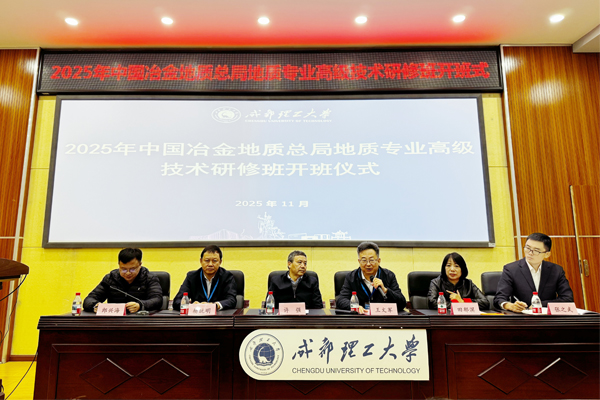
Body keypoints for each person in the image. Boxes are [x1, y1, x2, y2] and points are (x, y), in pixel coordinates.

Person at [494, 232, 574, 312]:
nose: (530, 253)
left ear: (547, 254)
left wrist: (540, 305)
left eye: (536, 250)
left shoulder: (556, 270)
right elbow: (499, 298)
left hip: (548, 316)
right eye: (527, 248)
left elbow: (567, 298)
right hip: (522, 316)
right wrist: (509, 306)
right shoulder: (511, 269)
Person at [83, 248, 163, 313]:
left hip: (140, 320)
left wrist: (140, 305)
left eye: (132, 269)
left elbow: (157, 300)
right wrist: (95, 306)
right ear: (119, 265)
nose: (128, 273)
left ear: (140, 265)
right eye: (123, 269)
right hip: (115, 321)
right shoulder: (110, 278)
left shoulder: (149, 278)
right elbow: (89, 300)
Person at [337, 241, 406, 314]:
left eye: (371, 260)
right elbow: (341, 300)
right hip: (360, 318)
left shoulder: (388, 276)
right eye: (364, 260)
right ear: (359, 261)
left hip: (382, 318)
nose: (368, 264)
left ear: (379, 261)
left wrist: (386, 290)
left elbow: (402, 303)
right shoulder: (351, 277)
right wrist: (355, 307)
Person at [173, 245, 237, 311]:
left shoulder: (227, 277)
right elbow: (177, 300)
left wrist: (215, 305)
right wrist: (191, 306)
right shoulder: (192, 277)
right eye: (207, 260)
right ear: (201, 261)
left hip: (219, 315)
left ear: (220, 262)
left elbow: (231, 300)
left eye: (214, 261)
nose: (210, 264)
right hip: (197, 315)